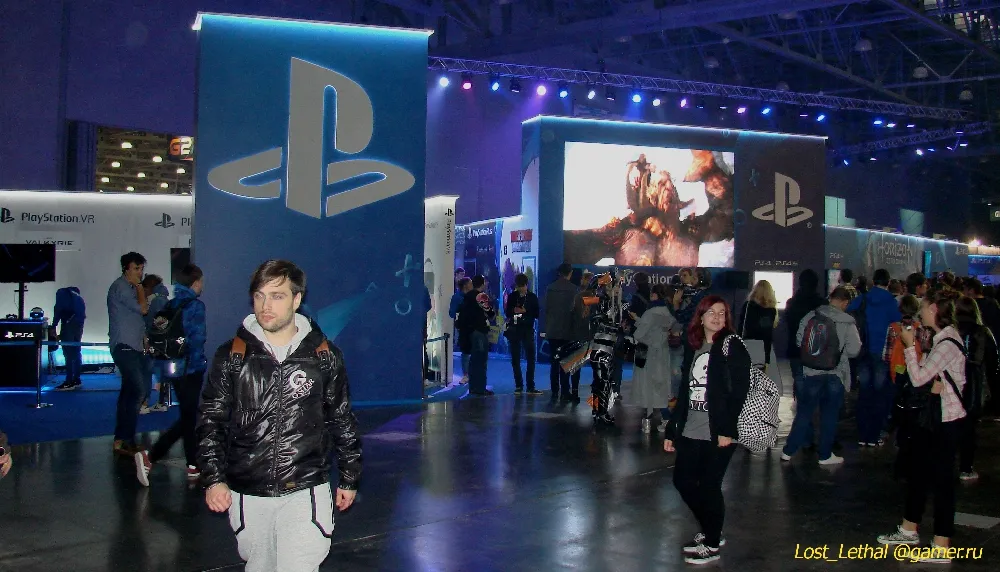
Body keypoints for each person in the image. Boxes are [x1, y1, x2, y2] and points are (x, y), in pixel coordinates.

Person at [197, 260, 362, 572]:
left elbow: (341, 417)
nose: (266, 306)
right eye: (259, 296)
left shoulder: (324, 356)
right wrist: (214, 478)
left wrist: (350, 475)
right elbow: (211, 420)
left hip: (305, 487)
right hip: (248, 491)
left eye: (277, 296)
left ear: (297, 300)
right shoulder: (232, 356)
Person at [876, 291, 967, 564]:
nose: (921, 313)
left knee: (941, 482)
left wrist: (908, 346)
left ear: (935, 309)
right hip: (933, 418)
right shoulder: (940, 340)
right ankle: (909, 529)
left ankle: (941, 545)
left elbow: (917, 379)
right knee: (918, 473)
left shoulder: (947, 344)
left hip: (945, 421)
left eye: (925, 308)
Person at [663, 296, 751, 565]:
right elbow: (685, 390)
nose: (716, 317)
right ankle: (712, 528)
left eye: (721, 313)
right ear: (700, 317)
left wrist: (727, 429)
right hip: (691, 428)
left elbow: (740, 391)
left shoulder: (732, 345)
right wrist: (672, 428)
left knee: (710, 486)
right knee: (683, 481)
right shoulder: (695, 346)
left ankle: (712, 544)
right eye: (711, 312)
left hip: (718, 430)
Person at [135, 264, 208, 485]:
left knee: (189, 415)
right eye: (201, 281)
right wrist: (198, 361)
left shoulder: (171, 304)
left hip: (172, 367)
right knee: (189, 417)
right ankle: (152, 456)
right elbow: (197, 338)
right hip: (190, 368)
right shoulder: (195, 306)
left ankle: (192, 464)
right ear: (195, 283)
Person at [781, 287, 862, 465]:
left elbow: (799, 340)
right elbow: (854, 350)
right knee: (830, 415)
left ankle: (788, 451)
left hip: (811, 372)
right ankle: (825, 455)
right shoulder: (847, 321)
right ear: (845, 302)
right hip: (836, 374)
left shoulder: (811, 316)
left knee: (804, 413)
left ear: (830, 298)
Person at [847, 268, 902, 447]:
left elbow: (849, 313)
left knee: (864, 392)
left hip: (863, 350)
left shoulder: (862, 299)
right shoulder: (891, 302)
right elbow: (897, 325)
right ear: (888, 282)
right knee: (880, 393)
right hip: (883, 353)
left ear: (873, 281)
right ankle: (874, 435)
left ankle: (862, 434)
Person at [107, 252, 152, 457]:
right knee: (138, 390)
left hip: (134, 346)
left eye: (141, 269)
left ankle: (121, 439)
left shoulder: (129, 289)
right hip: (124, 346)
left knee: (128, 393)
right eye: (136, 268)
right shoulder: (121, 288)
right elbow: (143, 309)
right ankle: (127, 439)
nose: (139, 273)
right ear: (126, 268)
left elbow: (137, 318)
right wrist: (141, 288)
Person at [953, 296, 998, 481]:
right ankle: (966, 467)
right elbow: (993, 359)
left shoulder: (951, 329)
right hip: (973, 381)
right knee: (969, 427)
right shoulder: (982, 331)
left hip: (953, 379)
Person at [630, 283, 681, 433]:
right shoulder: (668, 311)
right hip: (662, 353)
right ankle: (666, 419)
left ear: (654, 295)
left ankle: (647, 421)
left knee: (646, 388)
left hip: (646, 353)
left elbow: (640, 334)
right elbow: (658, 328)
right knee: (662, 387)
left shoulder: (651, 312)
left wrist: (636, 325)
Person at [785, 270, 827, 397]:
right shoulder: (822, 304)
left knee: (799, 379)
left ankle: (801, 403)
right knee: (814, 383)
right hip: (816, 349)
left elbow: (788, 323)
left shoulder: (792, 302)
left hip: (796, 348)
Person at [543, 263, 579, 401]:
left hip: (553, 330)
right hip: (567, 331)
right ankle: (565, 392)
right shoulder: (574, 289)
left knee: (554, 362)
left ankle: (554, 391)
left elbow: (547, 309)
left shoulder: (550, 288)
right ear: (570, 273)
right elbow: (576, 311)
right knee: (566, 362)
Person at [457, 275, 495, 396]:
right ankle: (480, 388)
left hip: (469, 332)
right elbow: (490, 313)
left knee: (473, 361)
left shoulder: (467, 296)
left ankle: (473, 387)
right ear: (482, 284)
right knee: (481, 360)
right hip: (479, 331)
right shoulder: (481, 296)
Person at [506, 273, 541, 395]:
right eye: (519, 286)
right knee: (515, 358)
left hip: (528, 329)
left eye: (523, 286)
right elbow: (507, 312)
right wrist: (513, 310)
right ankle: (519, 385)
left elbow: (537, 314)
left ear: (527, 285)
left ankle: (530, 386)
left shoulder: (532, 297)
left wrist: (526, 311)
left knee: (531, 358)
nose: (521, 289)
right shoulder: (512, 296)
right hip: (514, 330)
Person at [141, 274, 171, 413]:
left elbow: (153, 322)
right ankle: (161, 402)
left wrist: (148, 337)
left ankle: (144, 403)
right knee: (162, 373)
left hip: (154, 342)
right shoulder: (164, 299)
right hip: (163, 343)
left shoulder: (155, 301)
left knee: (146, 371)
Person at [51, 286, 86, 391]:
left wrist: (53, 326)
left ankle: (69, 381)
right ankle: (76, 379)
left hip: (68, 323)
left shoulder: (62, 293)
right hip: (79, 325)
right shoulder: (78, 297)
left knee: (68, 353)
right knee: (76, 351)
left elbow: (58, 309)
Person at [738, 279, 779, 369]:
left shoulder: (748, 305)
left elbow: (741, 327)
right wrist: (767, 357)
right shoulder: (771, 310)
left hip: (748, 343)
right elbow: (767, 334)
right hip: (762, 348)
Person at [450, 277, 473, 385]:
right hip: (463, 328)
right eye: (470, 283)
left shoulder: (473, 296)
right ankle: (465, 374)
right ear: (465, 286)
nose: (472, 285)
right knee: (465, 352)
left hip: (474, 326)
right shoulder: (457, 297)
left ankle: (472, 374)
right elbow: (452, 313)